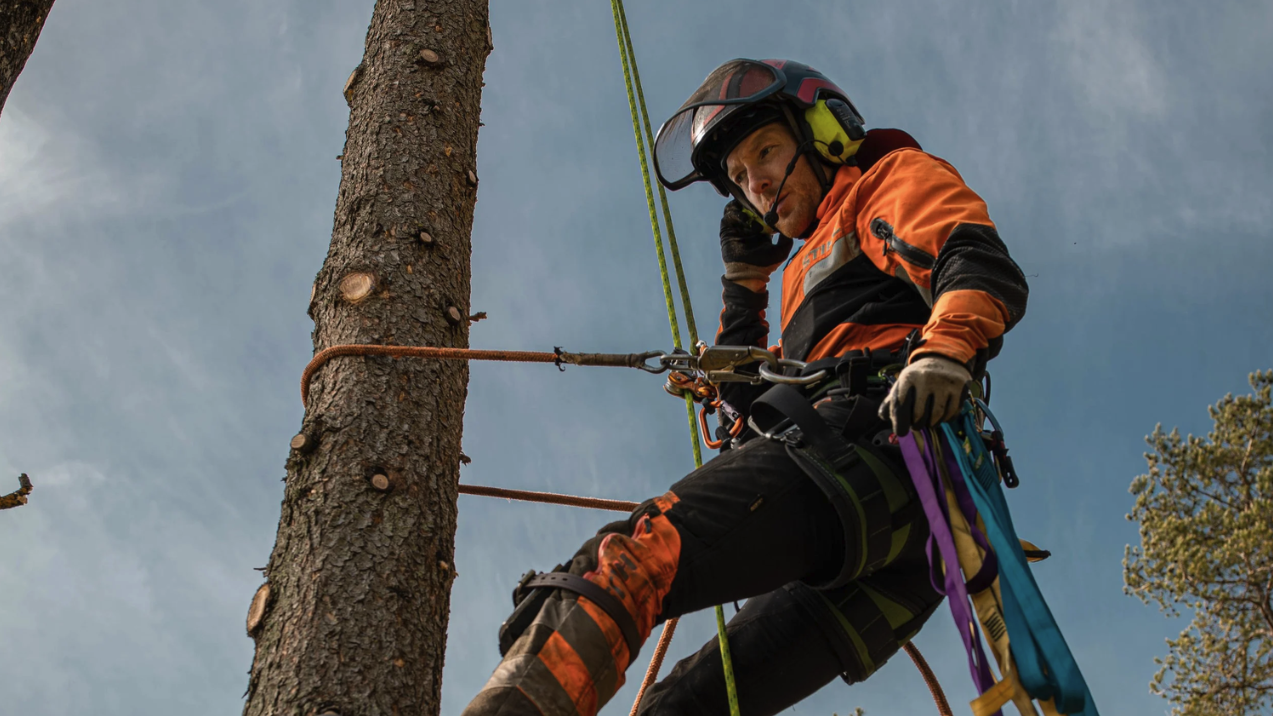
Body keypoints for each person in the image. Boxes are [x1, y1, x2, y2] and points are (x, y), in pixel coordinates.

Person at [461, 58, 1029, 716]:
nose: (755, 184)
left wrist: (944, 352)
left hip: (876, 450)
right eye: (736, 178)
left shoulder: (882, 180)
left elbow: (971, 257)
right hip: (897, 538)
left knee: (629, 561)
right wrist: (744, 282)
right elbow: (751, 402)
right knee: (684, 707)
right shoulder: (800, 278)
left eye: (765, 152)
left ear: (823, 133)